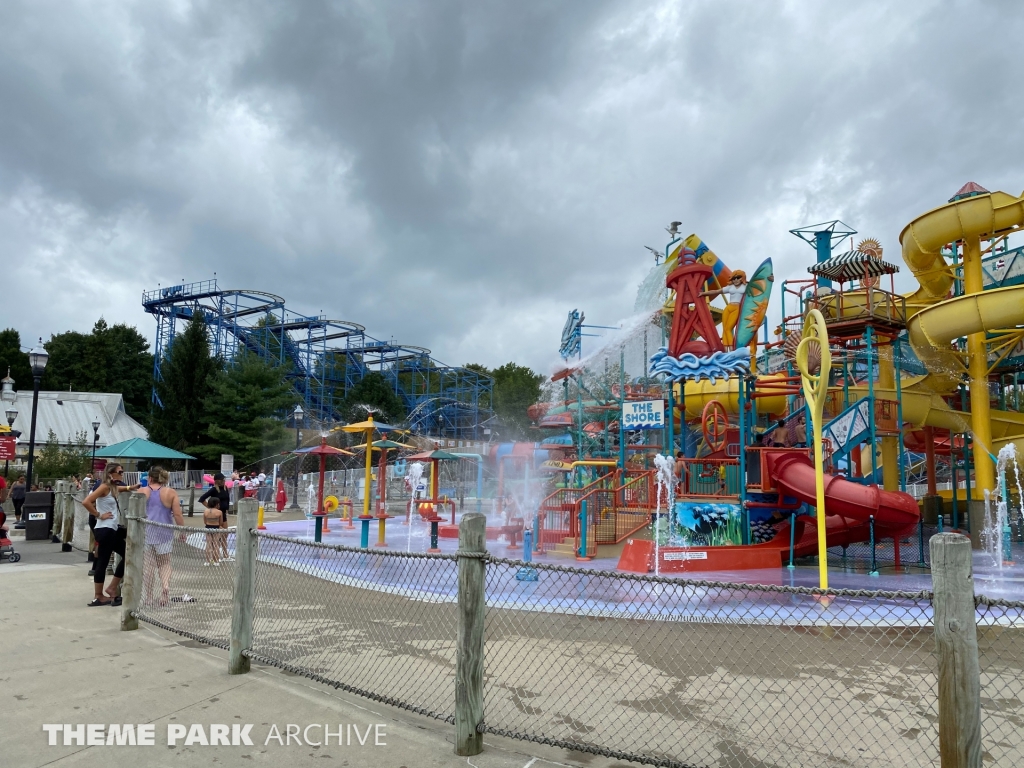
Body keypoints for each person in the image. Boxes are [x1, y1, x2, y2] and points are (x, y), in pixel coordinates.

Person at [82, 465, 131, 606]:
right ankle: (99, 595)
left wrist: (130, 488)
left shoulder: (112, 487)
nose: (122, 474)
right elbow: (86, 501)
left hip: (110, 529)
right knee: (103, 562)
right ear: (111, 474)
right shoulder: (104, 487)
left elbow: (119, 489)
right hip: (105, 529)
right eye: (120, 472)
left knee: (127, 553)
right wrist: (99, 515)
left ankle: (110, 588)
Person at [140, 466, 185, 606]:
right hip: (165, 531)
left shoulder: (142, 491)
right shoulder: (170, 492)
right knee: (165, 563)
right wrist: (182, 531)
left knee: (148, 566)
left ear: (150, 478)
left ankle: (148, 596)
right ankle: (165, 588)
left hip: (146, 531)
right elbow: (177, 514)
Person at [700, 270, 747, 348]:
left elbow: (759, 287)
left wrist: (770, 279)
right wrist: (703, 293)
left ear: (742, 278)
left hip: (737, 308)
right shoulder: (730, 287)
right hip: (728, 307)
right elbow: (717, 291)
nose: (735, 280)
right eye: (733, 278)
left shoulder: (746, 287)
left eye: (738, 277)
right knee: (724, 328)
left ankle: (732, 349)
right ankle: (725, 349)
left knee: (728, 328)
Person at [199, 472, 232, 562]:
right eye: (222, 480)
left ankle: (225, 555)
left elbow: (227, 500)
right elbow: (202, 499)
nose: (224, 481)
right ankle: (214, 556)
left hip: (223, 513)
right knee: (216, 536)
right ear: (218, 481)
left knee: (225, 534)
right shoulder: (214, 489)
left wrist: (227, 510)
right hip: (216, 515)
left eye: (224, 479)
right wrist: (210, 508)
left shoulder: (225, 488)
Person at [202, 497, 223, 566]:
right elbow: (221, 523)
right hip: (216, 528)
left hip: (208, 528)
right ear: (217, 504)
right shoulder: (219, 512)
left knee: (208, 545)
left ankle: (207, 561)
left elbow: (205, 522)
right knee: (216, 544)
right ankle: (216, 561)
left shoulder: (206, 511)